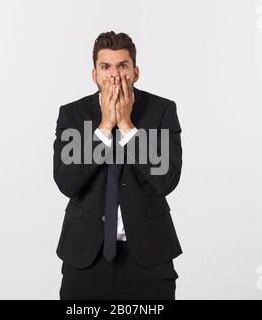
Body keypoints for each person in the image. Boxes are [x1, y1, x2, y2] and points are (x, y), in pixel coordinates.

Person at [53, 31, 183, 300]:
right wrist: (104, 128)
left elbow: (166, 180)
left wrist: (126, 126)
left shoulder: (162, 111)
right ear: (94, 75)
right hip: (86, 256)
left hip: (149, 256)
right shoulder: (72, 115)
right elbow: (67, 182)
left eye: (122, 66)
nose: (114, 75)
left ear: (135, 73)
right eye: (105, 67)